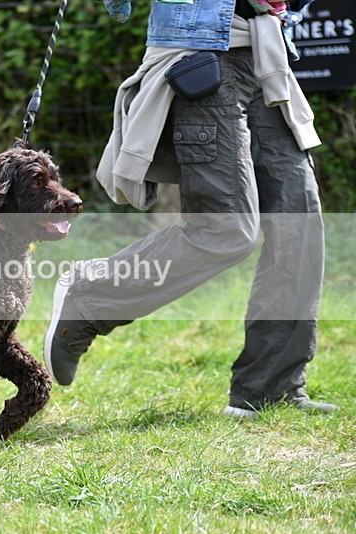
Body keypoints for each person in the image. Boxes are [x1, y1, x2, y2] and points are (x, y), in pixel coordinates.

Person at [43, 0, 339, 418]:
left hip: (268, 58)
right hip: (204, 60)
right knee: (226, 231)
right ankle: (91, 297)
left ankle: (270, 385)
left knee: (300, 225)